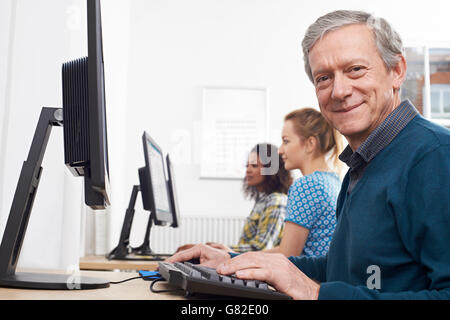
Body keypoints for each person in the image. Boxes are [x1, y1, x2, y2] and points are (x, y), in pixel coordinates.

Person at [167, 10, 450, 300]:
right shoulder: (363, 163)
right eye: (324, 78)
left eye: (355, 69)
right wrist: (237, 263)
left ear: (397, 70)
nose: (339, 91)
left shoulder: (435, 156)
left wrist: (316, 294)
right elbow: (342, 271)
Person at [176, 143, 293, 253]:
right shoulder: (263, 200)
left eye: (254, 165)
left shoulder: (276, 201)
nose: (248, 170)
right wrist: (213, 248)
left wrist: (215, 249)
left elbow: (261, 248)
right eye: (247, 165)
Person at [263, 108, 343, 257]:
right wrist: (236, 254)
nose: (280, 150)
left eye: (286, 141)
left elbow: (287, 256)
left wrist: (234, 258)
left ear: (310, 143)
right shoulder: (333, 181)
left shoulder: (307, 186)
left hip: (308, 278)